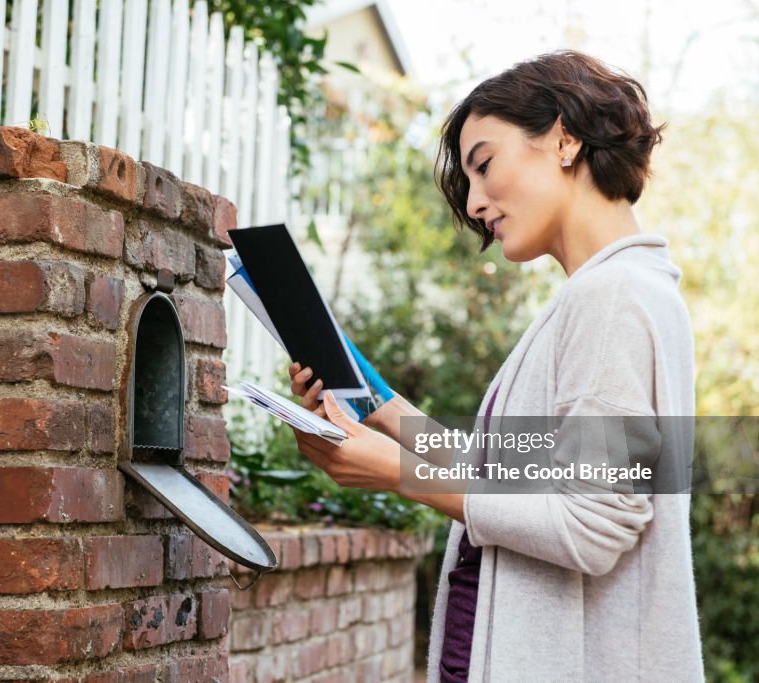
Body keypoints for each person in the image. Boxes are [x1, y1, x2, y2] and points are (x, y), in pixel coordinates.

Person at [286, 50, 704, 682]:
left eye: (484, 165)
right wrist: (382, 409)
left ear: (564, 139)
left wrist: (396, 473)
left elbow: (590, 525)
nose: (476, 202)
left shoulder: (613, 298)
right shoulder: (605, 294)